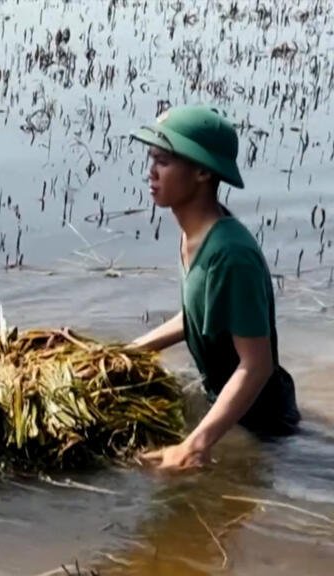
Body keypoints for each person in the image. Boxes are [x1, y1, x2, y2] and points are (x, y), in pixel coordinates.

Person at [126, 104, 301, 471]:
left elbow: (257, 366)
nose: (151, 172)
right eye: (151, 158)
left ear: (203, 171)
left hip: (262, 425)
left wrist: (196, 444)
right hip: (228, 404)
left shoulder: (231, 256)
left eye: (165, 161)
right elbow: (197, 314)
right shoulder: (195, 233)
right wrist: (127, 352)